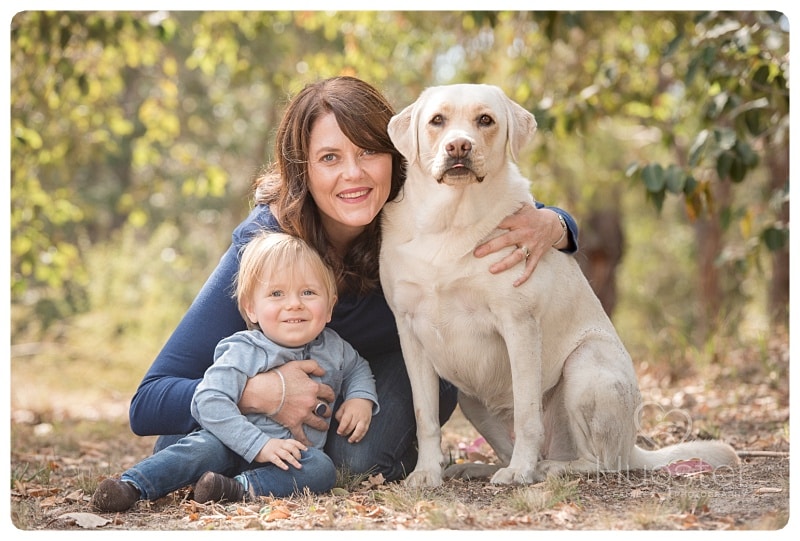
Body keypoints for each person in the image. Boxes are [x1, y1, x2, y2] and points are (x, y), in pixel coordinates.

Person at [127, 76, 579, 482]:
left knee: (352, 465)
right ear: (302, 169)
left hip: (398, 373)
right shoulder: (266, 244)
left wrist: (558, 224)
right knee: (188, 440)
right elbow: (148, 401)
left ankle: (268, 464)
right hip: (298, 391)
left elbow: (504, 204)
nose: (354, 174)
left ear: (397, 154)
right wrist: (258, 393)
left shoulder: (421, 209)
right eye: (329, 157)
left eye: (368, 152)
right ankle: (239, 461)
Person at [91, 232, 378, 512]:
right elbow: (208, 399)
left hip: (286, 456)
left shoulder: (335, 347)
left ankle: (234, 488)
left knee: (321, 469)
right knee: (204, 449)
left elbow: (357, 369)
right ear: (251, 309)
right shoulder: (244, 349)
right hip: (227, 442)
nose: (294, 303)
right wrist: (259, 445)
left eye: (309, 292)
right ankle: (132, 486)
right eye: (277, 293)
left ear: (329, 308)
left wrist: (360, 398)